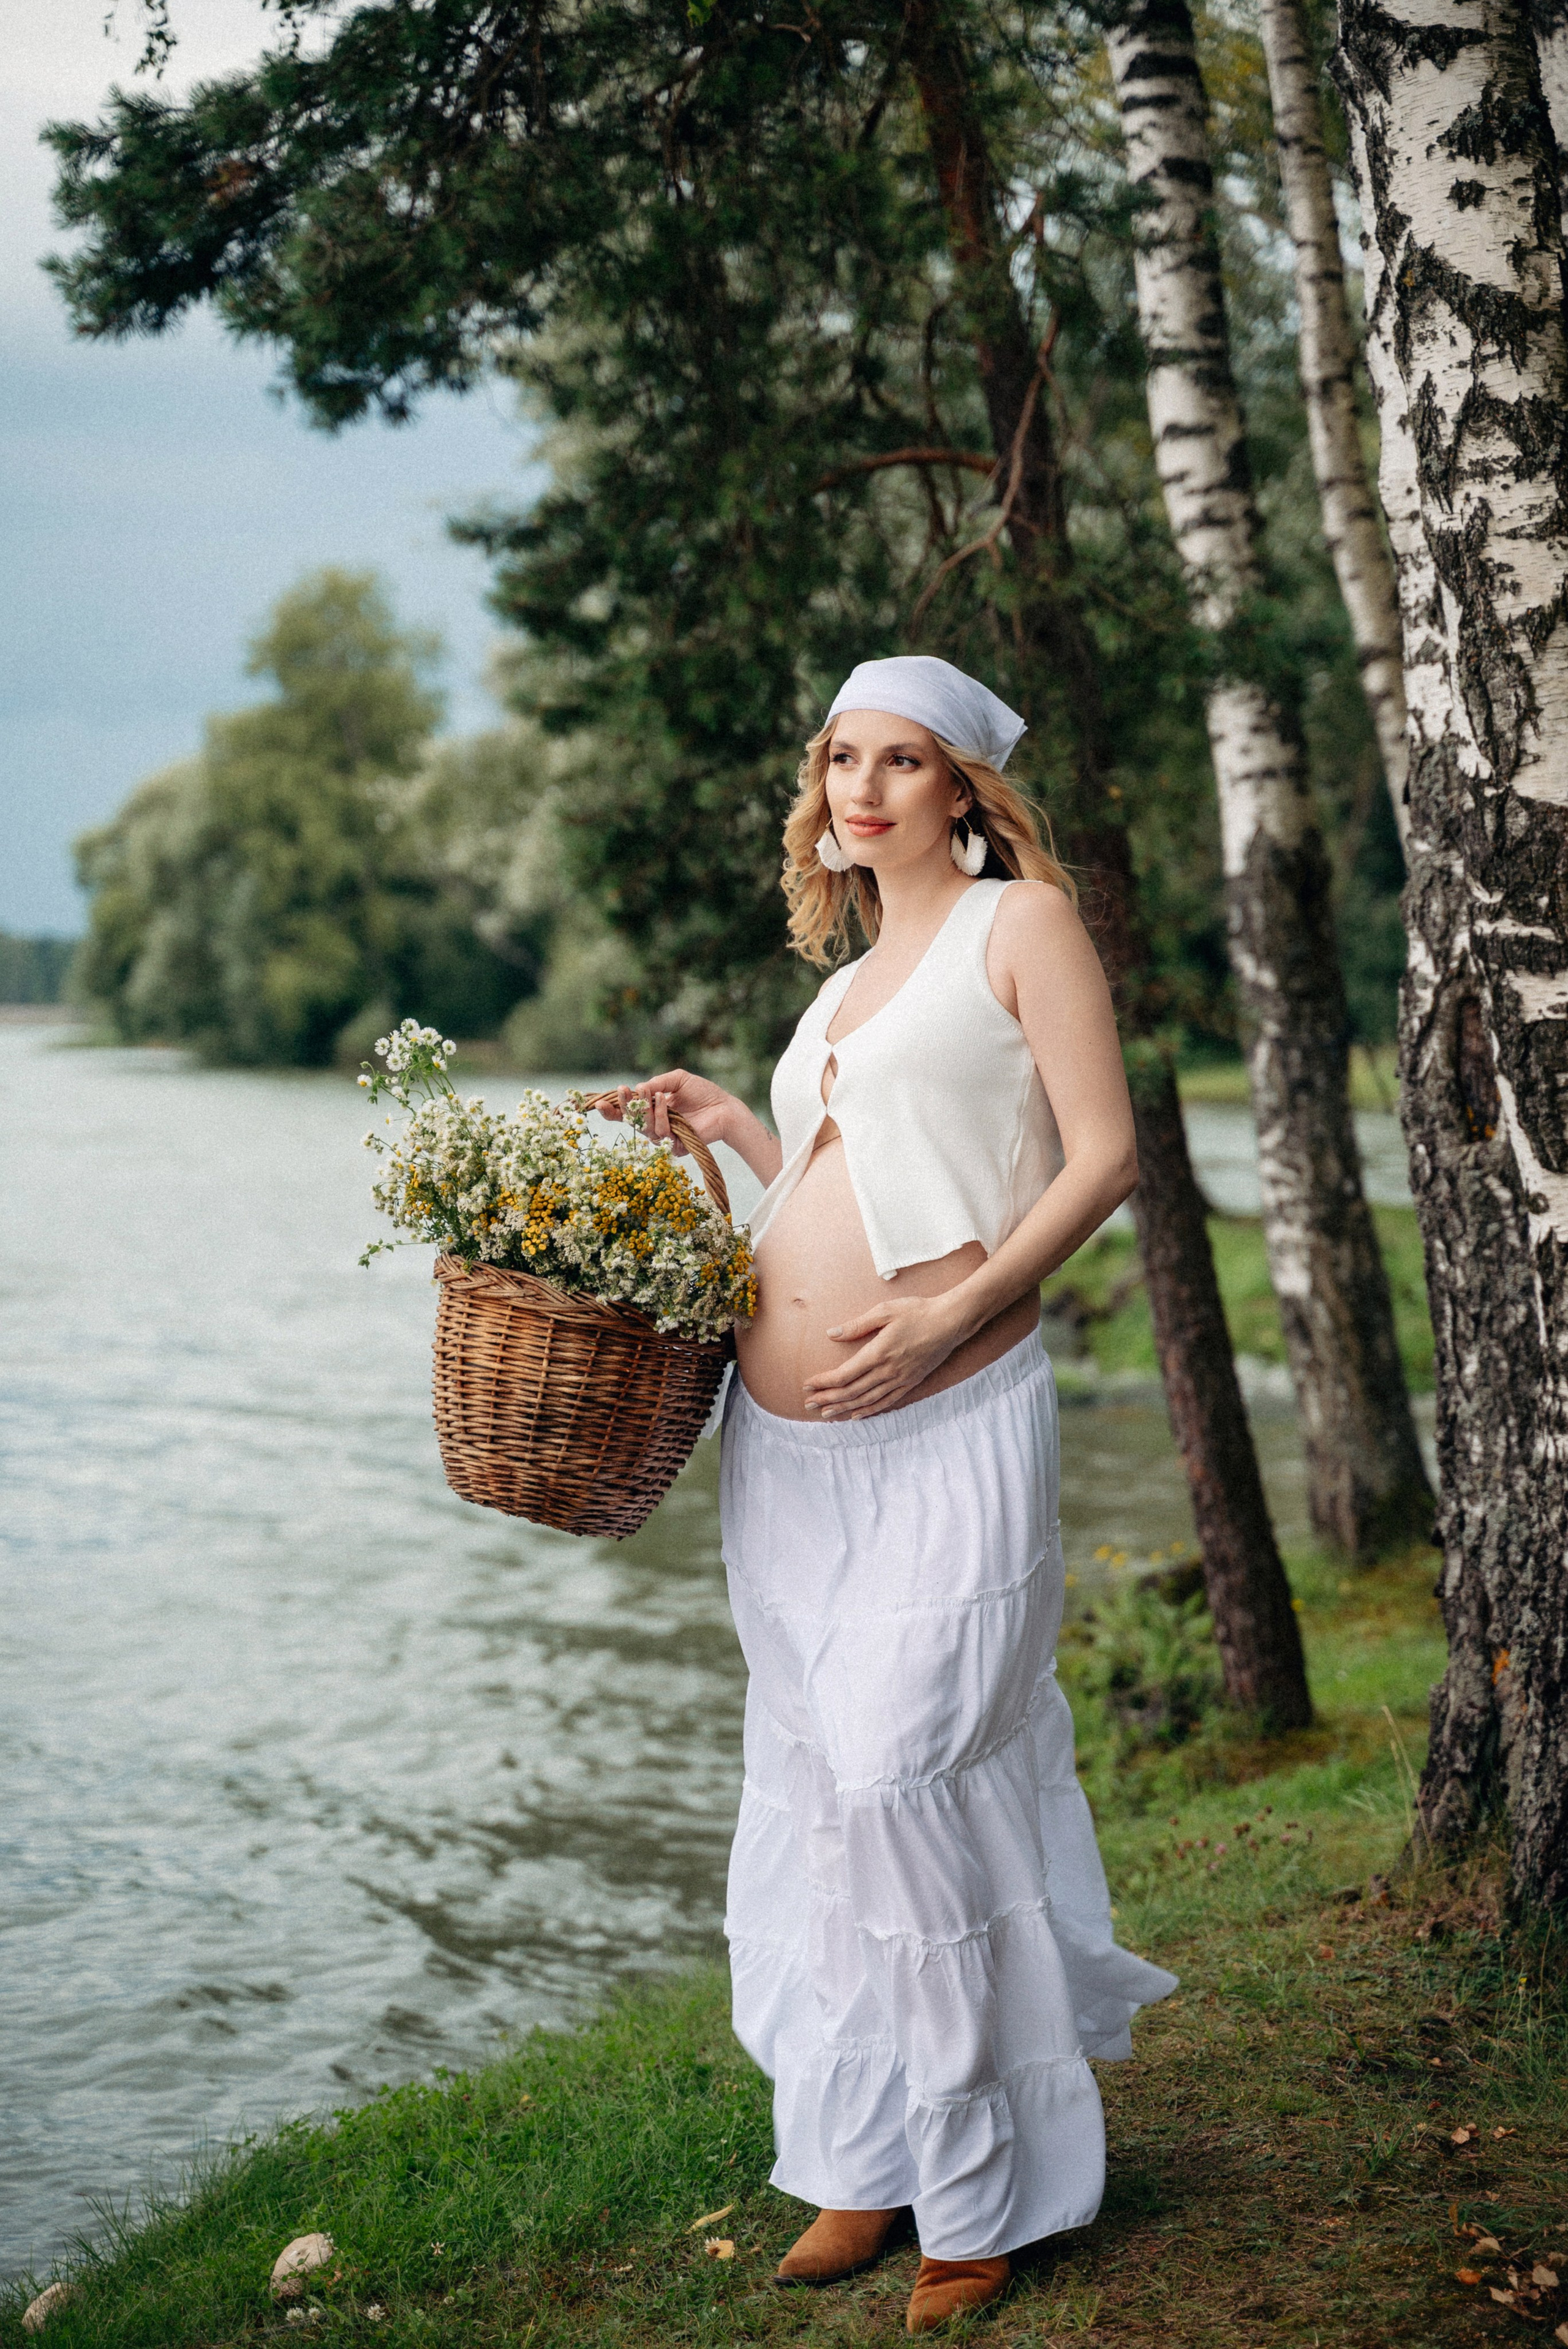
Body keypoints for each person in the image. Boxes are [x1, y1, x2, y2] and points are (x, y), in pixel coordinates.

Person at [603, 655, 1176, 2334]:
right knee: (820, 1797)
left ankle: (979, 2194)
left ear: (963, 791)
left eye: (901, 761)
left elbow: (1104, 1156)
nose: (860, 788)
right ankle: (864, 2150)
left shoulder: (1022, 926)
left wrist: (952, 1309)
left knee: (903, 1776)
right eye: (841, 758)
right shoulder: (847, 985)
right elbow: (853, 1180)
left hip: (950, 1424)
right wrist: (740, 1127)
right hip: (788, 1461)